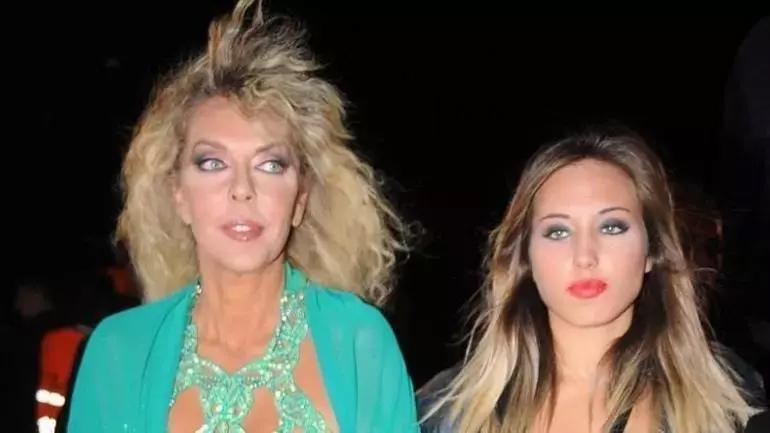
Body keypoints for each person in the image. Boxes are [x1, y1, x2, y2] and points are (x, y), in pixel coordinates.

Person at [67, 1, 418, 432]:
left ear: (300, 199)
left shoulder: (359, 342)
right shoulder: (118, 352)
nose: (242, 188)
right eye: (213, 162)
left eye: (270, 164)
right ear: (178, 194)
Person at [419, 128, 763, 433]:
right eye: (558, 231)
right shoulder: (446, 412)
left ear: (652, 251)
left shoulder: (728, 401)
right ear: (524, 259)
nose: (585, 256)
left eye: (611, 227)